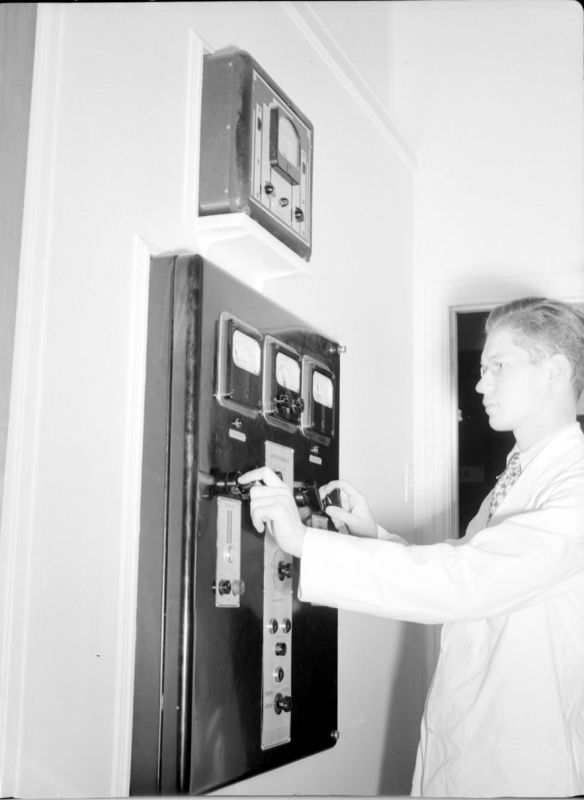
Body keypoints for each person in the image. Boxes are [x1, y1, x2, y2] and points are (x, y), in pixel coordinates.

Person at [239, 297, 584, 798]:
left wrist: (303, 542)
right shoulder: (521, 472)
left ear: (554, 371)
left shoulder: (575, 484)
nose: (480, 384)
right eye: (482, 369)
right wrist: (374, 536)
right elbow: (470, 559)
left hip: (528, 770)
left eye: (496, 367)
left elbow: (465, 582)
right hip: (471, 751)